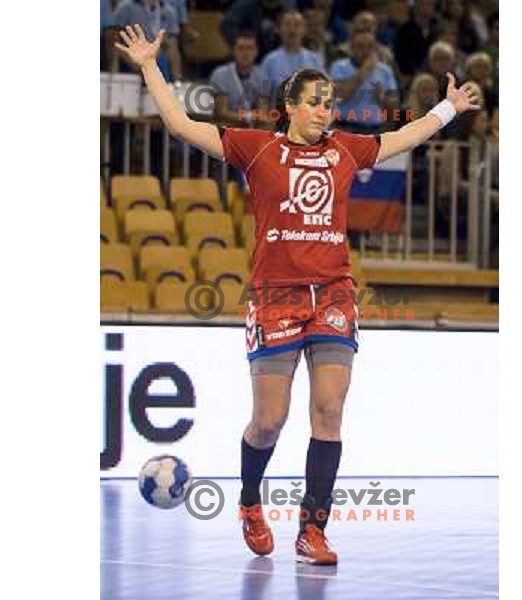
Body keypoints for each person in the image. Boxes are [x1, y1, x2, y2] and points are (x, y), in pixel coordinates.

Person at [115, 24, 479, 566]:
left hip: (332, 294)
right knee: (269, 420)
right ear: (289, 106)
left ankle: (313, 530)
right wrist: (150, 66)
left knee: (329, 411)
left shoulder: (346, 151)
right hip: (275, 295)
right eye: (314, 103)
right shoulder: (256, 148)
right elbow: (180, 123)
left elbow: (404, 137)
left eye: (329, 103)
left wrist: (447, 109)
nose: (324, 112)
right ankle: (248, 501)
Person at [330, 30, 399, 133]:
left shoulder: (385, 70)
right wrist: (364, 71)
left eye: (370, 47)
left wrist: (381, 98)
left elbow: (394, 107)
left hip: (375, 130)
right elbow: (340, 97)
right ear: (352, 48)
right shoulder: (339, 66)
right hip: (346, 128)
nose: (365, 51)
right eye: (361, 46)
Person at [209, 32, 270, 127]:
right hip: (227, 127)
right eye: (241, 48)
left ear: (256, 51)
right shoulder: (220, 74)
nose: (245, 53)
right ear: (234, 51)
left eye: (250, 48)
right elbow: (222, 113)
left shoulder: (261, 76)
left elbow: (263, 111)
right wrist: (248, 116)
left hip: (251, 128)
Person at [113, 0, 182, 81]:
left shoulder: (169, 11)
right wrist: (136, 65)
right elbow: (115, 42)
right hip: (131, 65)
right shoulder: (125, 8)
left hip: (158, 65)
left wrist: (177, 78)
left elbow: (173, 47)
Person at [261, 10, 324, 95]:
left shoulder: (315, 60)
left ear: (304, 30)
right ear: (279, 29)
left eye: (297, 25)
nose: (292, 29)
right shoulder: (269, 61)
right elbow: (263, 97)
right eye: (287, 25)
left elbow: (322, 95)